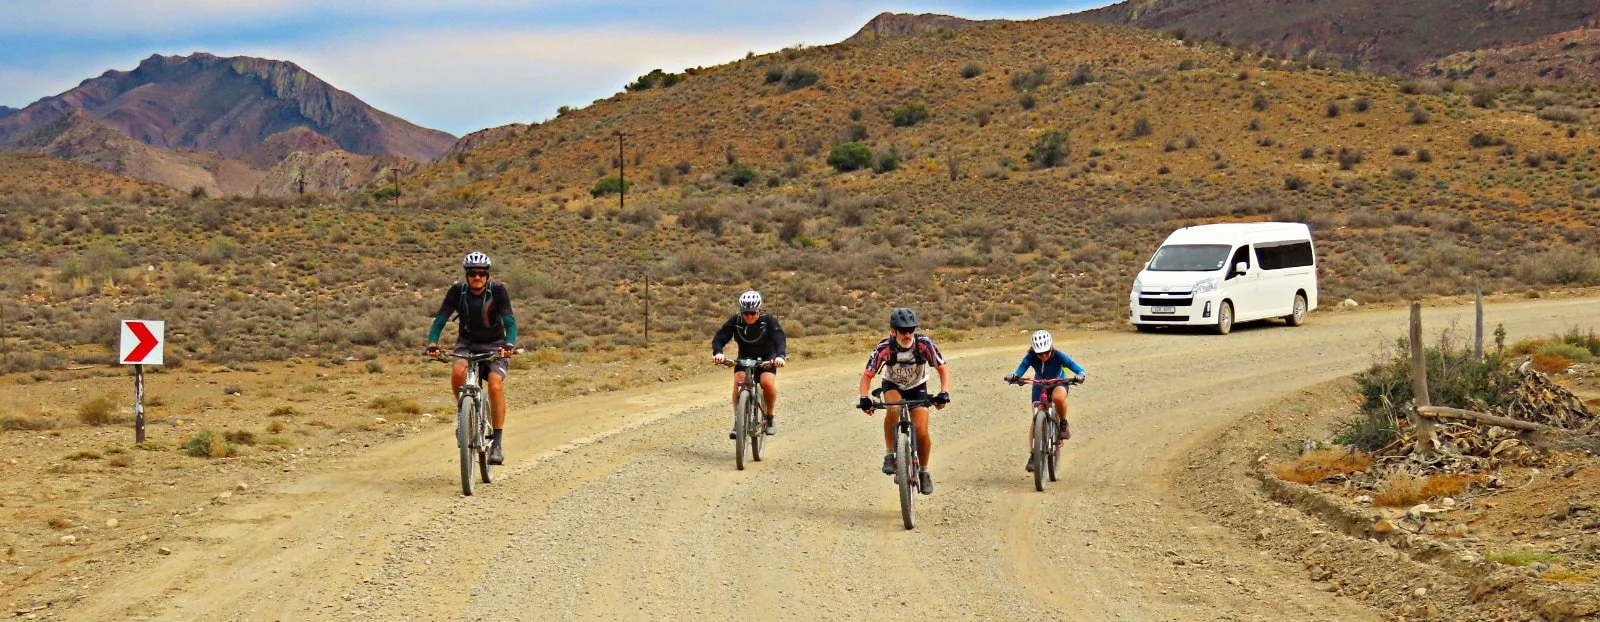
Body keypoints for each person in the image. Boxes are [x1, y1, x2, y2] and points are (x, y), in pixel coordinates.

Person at [426, 251, 518, 465]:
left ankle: (497, 442)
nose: (477, 277)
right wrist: (432, 343)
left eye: (481, 273)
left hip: (496, 345)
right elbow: (440, 319)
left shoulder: (497, 291)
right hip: (466, 344)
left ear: (487, 275)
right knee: (458, 372)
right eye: (472, 273)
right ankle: (463, 417)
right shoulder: (457, 292)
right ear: (466, 275)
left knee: (494, 385)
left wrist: (509, 344)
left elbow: (510, 322)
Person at [857, 307, 950, 495]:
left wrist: (944, 392)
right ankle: (890, 453)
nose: (907, 334)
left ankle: (923, 471)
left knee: (922, 431)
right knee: (893, 409)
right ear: (893, 331)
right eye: (902, 330)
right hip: (892, 385)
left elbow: (942, 368)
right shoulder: (884, 348)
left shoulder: (924, 344)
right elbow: (867, 376)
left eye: (911, 330)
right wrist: (864, 398)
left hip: (918, 386)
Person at [1005, 330, 1086, 473]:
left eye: (1046, 352)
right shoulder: (1030, 357)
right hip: (1039, 385)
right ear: (1034, 351)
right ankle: (1033, 455)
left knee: (1057, 398)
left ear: (1051, 348)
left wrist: (1080, 375)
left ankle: (1063, 423)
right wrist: (1015, 376)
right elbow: (1020, 369)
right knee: (1036, 418)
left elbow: (1078, 368)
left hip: (1059, 382)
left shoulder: (1059, 356)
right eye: (1039, 353)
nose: (1043, 356)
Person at [711, 290, 787, 436]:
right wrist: (718, 353)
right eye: (746, 313)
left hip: (767, 357)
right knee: (738, 380)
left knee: (766, 383)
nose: (749, 316)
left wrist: (781, 356)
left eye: (753, 313)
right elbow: (720, 337)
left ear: (759, 310)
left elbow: (779, 339)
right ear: (741, 312)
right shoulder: (736, 321)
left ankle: (770, 417)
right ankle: (738, 422)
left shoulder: (768, 321)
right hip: (745, 357)